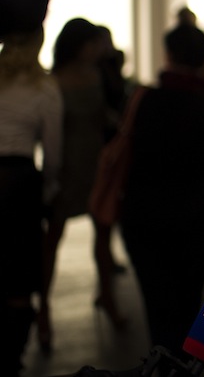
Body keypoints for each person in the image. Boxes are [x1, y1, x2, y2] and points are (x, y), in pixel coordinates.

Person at [119, 23, 204, 355]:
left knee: (156, 302)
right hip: (195, 212)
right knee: (189, 301)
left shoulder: (145, 99)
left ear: (168, 55)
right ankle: (183, 363)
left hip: (144, 210)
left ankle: (161, 360)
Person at [38, 18, 127, 355]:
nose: (96, 50)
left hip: (95, 163)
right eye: (91, 44)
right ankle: (43, 309)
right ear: (78, 46)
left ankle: (108, 296)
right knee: (53, 238)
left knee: (103, 233)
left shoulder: (96, 74)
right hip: (67, 166)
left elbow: (104, 116)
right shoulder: (54, 81)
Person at [0, 27, 63, 376]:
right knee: (19, 275)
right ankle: (11, 359)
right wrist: (49, 190)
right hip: (19, 186)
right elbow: (53, 153)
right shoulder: (44, 88)